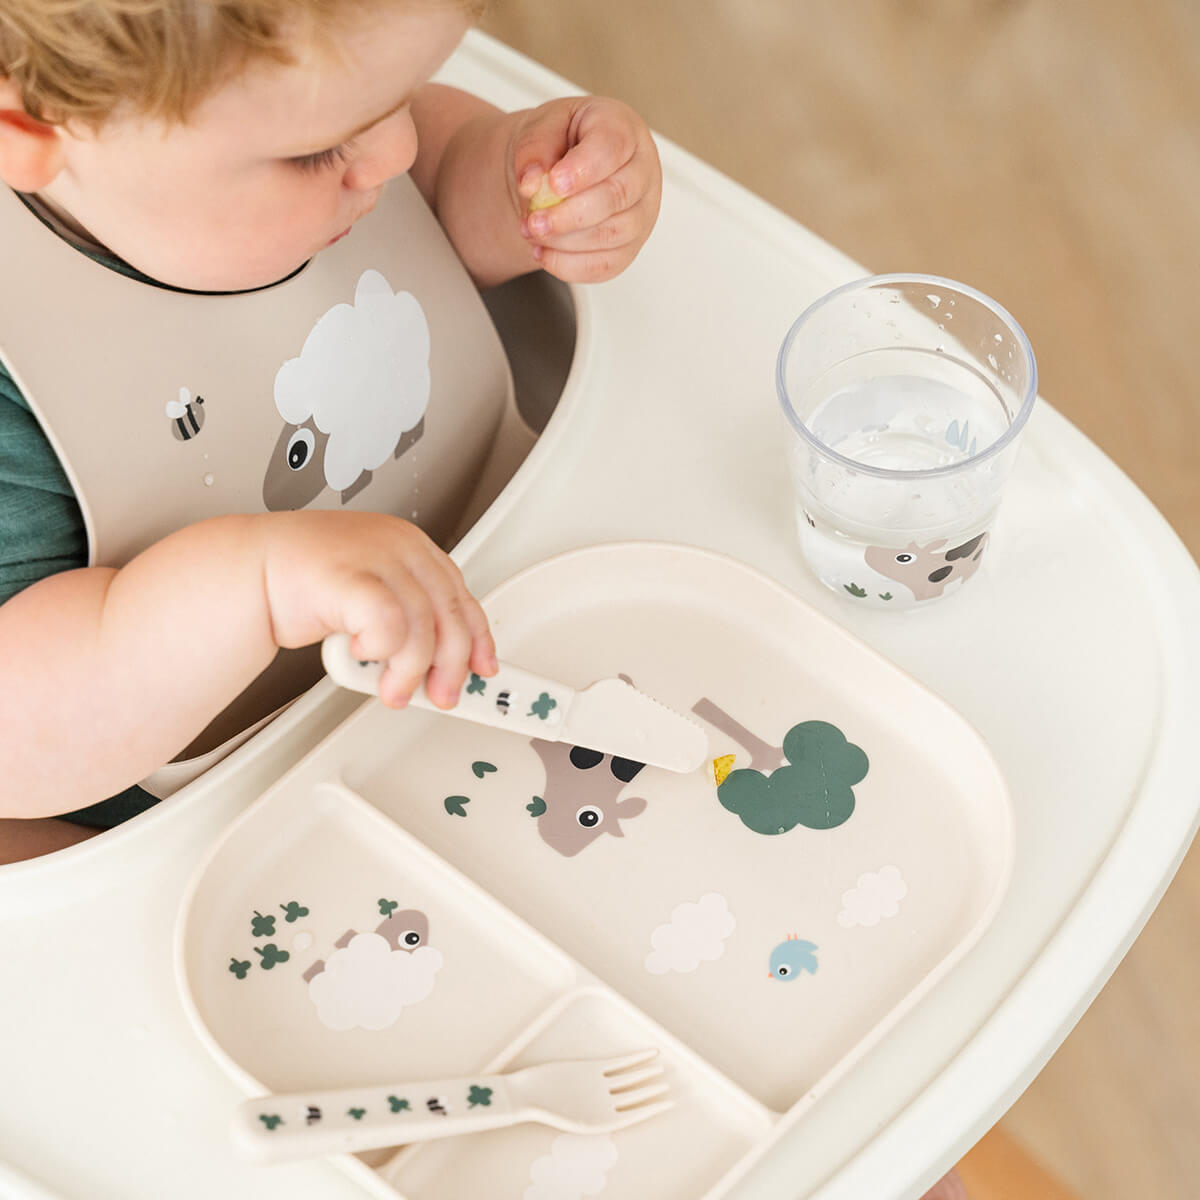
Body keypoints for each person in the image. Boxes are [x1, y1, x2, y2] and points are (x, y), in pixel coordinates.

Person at [0, 0, 663, 860]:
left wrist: (518, 185)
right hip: (214, 818)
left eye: (405, 92)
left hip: (497, 621)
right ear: (34, 131)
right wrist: (261, 587)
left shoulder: (303, 136)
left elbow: (423, 221)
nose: (395, 151)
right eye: (318, 148)